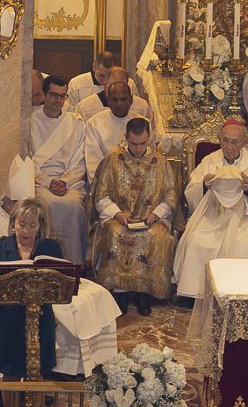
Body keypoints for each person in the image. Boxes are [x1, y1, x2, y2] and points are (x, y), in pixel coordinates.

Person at [173, 117, 248, 300]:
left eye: (235, 142)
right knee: (197, 240)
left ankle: (238, 294)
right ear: (219, 140)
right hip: (212, 214)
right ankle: (194, 295)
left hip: (243, 216)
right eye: (225, 141)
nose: (229, 147)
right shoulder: (209, 161)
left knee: (242, 244)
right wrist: (204, 186)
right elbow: (191, 189)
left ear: (244, 143)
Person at [88, 118, 177, 317]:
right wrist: (116, 213)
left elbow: (171, 195)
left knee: (157, 236)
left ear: (149, 138)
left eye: (143, 143)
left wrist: (155, 215)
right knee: (115, 234)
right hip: (119, 218)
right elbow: (100, 195)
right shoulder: (112, 161)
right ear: (126, 138)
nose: (138, 148)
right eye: (134, 143)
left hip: (150, 219)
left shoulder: (161, 163)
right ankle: (120, 293)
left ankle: (144, 294)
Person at [0, 198, 64, 379]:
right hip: (8, 320)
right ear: (13, 223)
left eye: (32, 225)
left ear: (40, 226)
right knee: (9, 372)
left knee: (40, 370)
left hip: (41, 319)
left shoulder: (50, 247)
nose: (26, 231)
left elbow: (59, 284)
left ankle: (37, 406)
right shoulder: (1, 246)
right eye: (21, 224)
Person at [32, 75, 87, 264]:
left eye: (62, 96)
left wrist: (64, 181)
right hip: (39, 181)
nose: (58, 101)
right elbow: (26, 160)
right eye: (54, 95)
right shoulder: (30, 122)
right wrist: (49, 182)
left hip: (68, 182)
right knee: (46, 204)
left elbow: (79, 159)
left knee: (73, 205)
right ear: (44, 95)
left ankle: (73, 264)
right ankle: (44, 261)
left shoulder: (76, 122)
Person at [84, 83, 148, 183]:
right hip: (107, 182)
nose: (119, 104)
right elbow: (93, 162)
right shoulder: (94, 124)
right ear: (108, 100)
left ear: (131, 100)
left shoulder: (144, 123)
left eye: (123, 99)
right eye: (115, 99)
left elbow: (149, 158)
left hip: (139, 181)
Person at [76, 67, 152, 124]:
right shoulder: (85, 107)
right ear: (105, 84)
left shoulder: (142, 107)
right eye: (113, 85)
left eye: (122, 85)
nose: (117, 89)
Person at [66, 53, 139, 111]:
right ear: (94, 66)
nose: (105, 81)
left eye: (110, 75)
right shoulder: (77, 84)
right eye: (102, 76)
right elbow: (70, 111)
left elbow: (136, 107)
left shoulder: (129, 84)